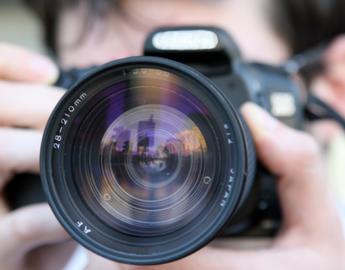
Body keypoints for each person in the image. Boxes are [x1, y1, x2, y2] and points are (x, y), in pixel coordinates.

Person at [0, 0, 344, 269]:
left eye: (194, 92)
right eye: (105, 104)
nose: (140, 158)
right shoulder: (41, 247)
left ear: (335, 88)